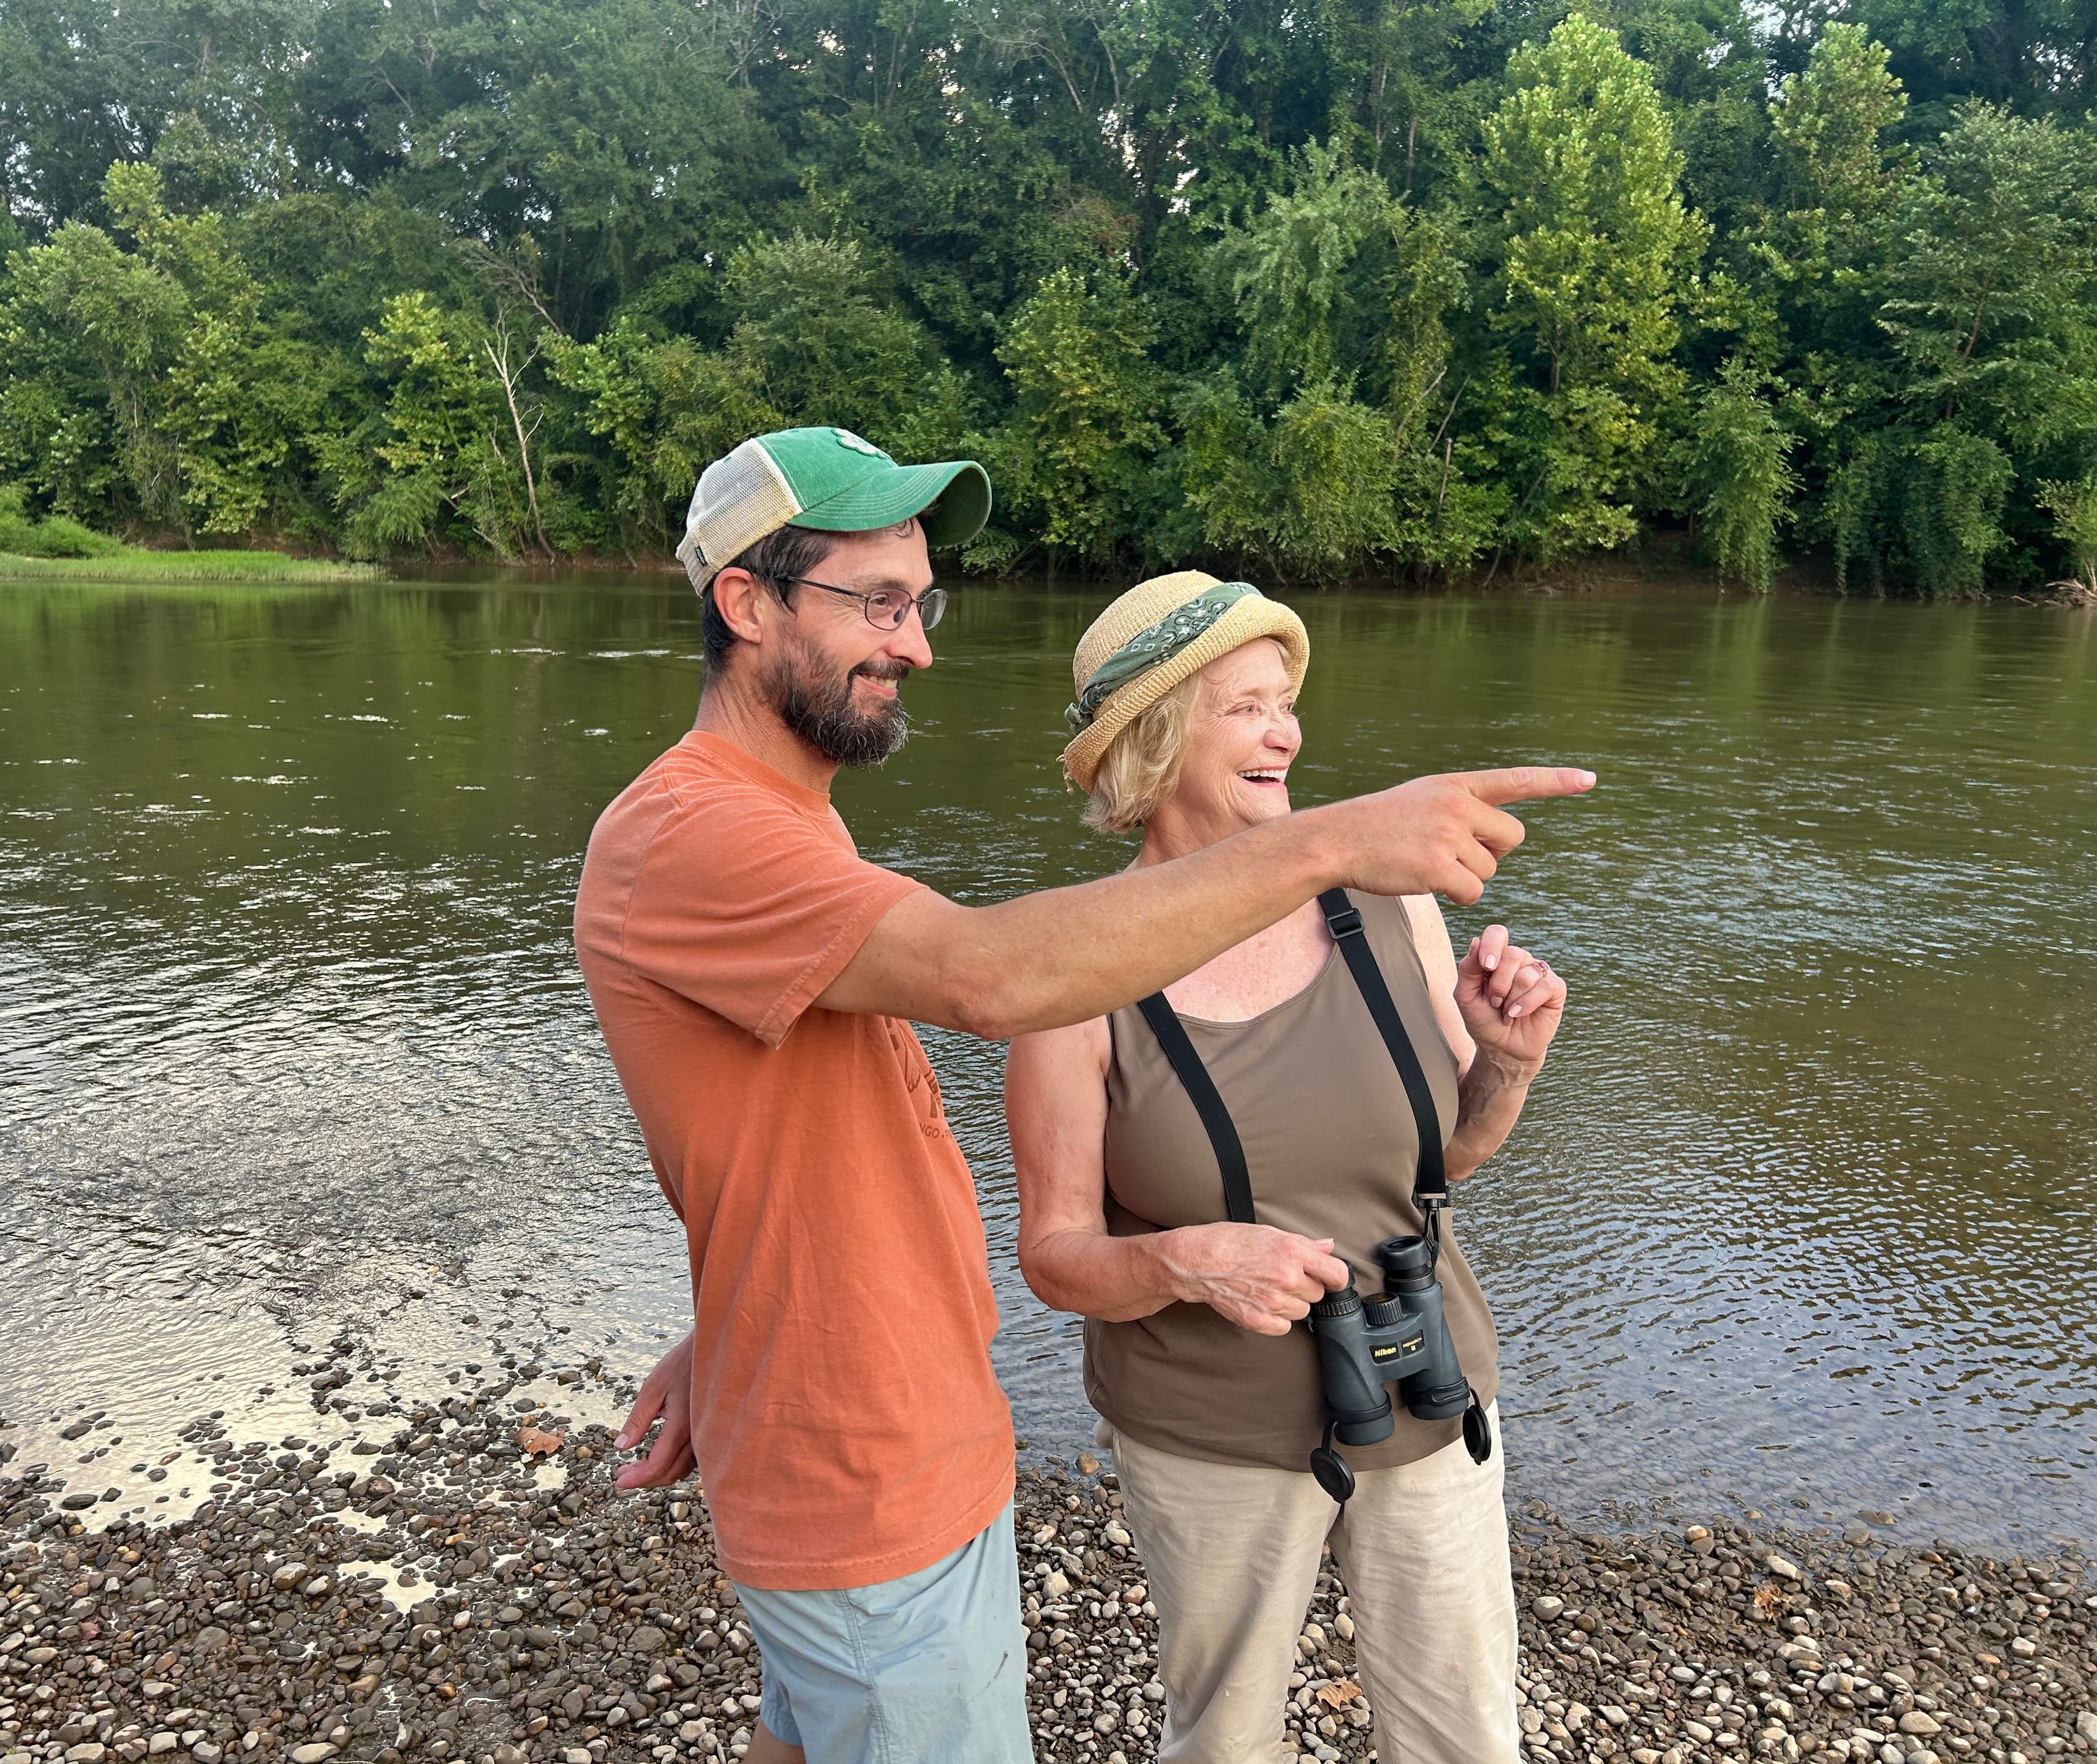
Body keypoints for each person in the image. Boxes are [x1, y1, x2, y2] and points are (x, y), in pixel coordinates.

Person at [572, 429, 1592, 1764]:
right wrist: (1332, 837)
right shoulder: (697, 833)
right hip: (868, 1471)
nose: (920, 644)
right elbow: (995, 981)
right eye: (878, 603)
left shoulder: (786, 820)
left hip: (894, 1429)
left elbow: (775, 1145)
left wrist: (738, 1334)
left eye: (920, 604)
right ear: (748, 604)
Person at [1003, 571, 1574, 1764]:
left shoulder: (1388, 896)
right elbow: (1055, 1258)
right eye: (1248, 707)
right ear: (1156, 740)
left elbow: (1446, 1156)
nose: (1289, 732)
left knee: (1469, 1734)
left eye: (1288, 703)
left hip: (1429, 1388)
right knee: (1226, 1741)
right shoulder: (1071, 974)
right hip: (1209, 1436)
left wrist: (1508, 1064)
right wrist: (1183, 1261)